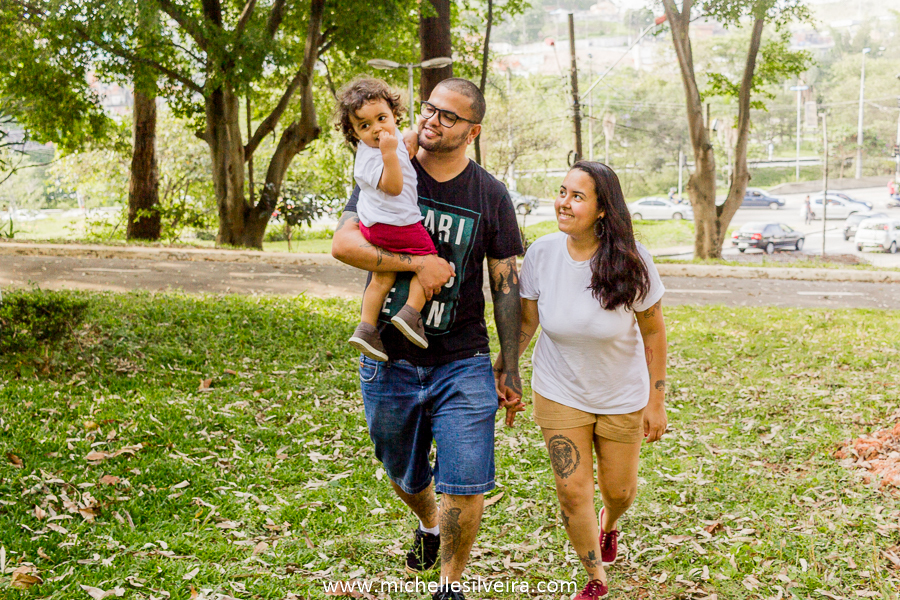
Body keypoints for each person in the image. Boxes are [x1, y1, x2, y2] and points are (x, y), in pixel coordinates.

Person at [331, 78, 524, 600]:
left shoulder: (490, 194)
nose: (433, 120)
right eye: (430, 108)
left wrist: (510, 363)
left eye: (449, 116)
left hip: (462, 357)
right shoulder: (387, 163)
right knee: (402, 468)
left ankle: (449, 584)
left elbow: (506, 284)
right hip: (389, 356)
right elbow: (344, 244)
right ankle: (429, 523)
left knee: (466, 477)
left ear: (472, 132)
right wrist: (418, 263)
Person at [495, 161, 668, 599]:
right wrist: (507, 365)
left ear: (602, 209)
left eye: (577, 196)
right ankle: (596, 577)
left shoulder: (633, 260)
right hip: (559, 389)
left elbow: (653, 331)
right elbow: (528, 321)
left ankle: (611, 523)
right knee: (572, 491)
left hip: (620, 392)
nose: (563, 203)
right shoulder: (542, 254)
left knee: (619, 491)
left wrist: (656, 399)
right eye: (561, 192)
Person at [335, 78, 436, 361]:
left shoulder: (392, 138)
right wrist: (390, 154)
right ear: (354, 133)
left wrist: (410, 136)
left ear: (394, 115)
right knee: (429, 260)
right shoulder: (369, 158)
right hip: (395, 225)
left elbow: (406, 137)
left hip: (378, 225)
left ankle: (366, 329)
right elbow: (393, 187)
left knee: (383, 277)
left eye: (382, 118)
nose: (377, 129)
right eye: (365, 126)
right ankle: (411, 313)